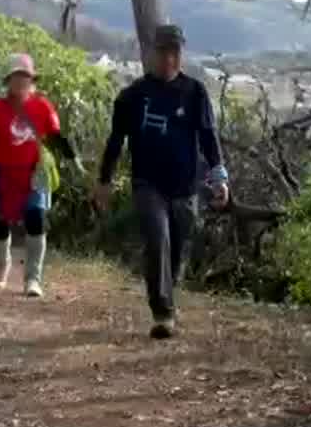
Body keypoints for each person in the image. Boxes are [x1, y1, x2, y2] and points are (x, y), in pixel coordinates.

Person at [96, 24, 230, 339]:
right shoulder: (132, 96)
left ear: (181, 54)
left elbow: (209, 138)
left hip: (186, 186)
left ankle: (167, 297)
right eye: (163, 52)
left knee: (177, 248)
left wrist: (219, 176)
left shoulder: (195, 92)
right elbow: (116, 141)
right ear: (151, 53)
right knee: (158, 239)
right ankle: (163, 312)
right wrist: (104, 180)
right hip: (147, 183)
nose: (169, 59)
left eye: (175, 52)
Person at [0, 54, 82, 296]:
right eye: (16, 77)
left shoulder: (42, 106)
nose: (20, 81)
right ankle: (2, 269)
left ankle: (33, 279)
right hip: (3, 172)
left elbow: (56, 136)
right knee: (2, 222)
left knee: (36, 219)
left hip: (33, 173)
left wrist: (73, 159)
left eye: (24, 76)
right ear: (9, 81)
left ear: (31, 79)